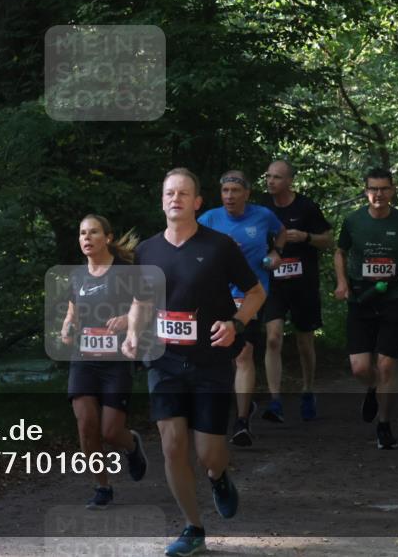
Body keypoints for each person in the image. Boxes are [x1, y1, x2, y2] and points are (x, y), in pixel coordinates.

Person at [121, 168, 264, 557]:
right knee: (171, 446)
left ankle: (219, 477)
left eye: (184, 193)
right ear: (162, 199)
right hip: (164, 360)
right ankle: (193, 527)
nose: (175, 199)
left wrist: (236, 324)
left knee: (207, 454)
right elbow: (140, 302)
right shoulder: (147, 251)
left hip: (210, 361)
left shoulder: (220, 246)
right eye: (169, 193)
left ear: (198, 202)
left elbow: (255, 292)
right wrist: (134, 333)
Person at [59, 214, 148, 509]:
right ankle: (102, 487)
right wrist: (67, 327)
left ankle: (131, 444)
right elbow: (73, 312)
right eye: (82, 233)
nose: (86, 238)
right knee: (86, 425)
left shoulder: (126, 272)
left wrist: (127, 320)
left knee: (111, 432)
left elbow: (143, 306)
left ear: (107, 238)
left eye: (93, 232)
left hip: (116, 360)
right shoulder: (77, 276)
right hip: (84, 359)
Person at [333, 167, 398, 450]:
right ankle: (371, 388)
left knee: (386, 366)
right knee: (360, 369)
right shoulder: (353, 221)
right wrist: (342, 282)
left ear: (392, 190)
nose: (379, 194)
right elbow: (340, 251)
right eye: (373, 189)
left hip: (393, 298)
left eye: (384, 188)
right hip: (361, 299)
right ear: (366, 191)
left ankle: (384, 425)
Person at [197, 170, 285, 447]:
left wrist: (276, 253)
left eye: (235, 191)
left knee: (243, 355)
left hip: (249, 296)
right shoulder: (209, 219)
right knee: (217, 356)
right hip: (214, 296)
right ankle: (218, 410)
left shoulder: (262, 216)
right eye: (225, 192)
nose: (229, 196)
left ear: (247, 194)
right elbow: (190, 245)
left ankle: (242, 422)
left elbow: (280, 233)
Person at [262, 159, 333, 421]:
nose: (271, 181)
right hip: (273, 284)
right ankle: (275, 401)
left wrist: (305, 237)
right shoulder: (261, 208)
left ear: (290, 181)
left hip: (303, 283)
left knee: (304, 342)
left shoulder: (306, 206)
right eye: (268, 176)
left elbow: (328, 240)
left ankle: (307, 390)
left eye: (277, 177)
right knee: (273, 337)